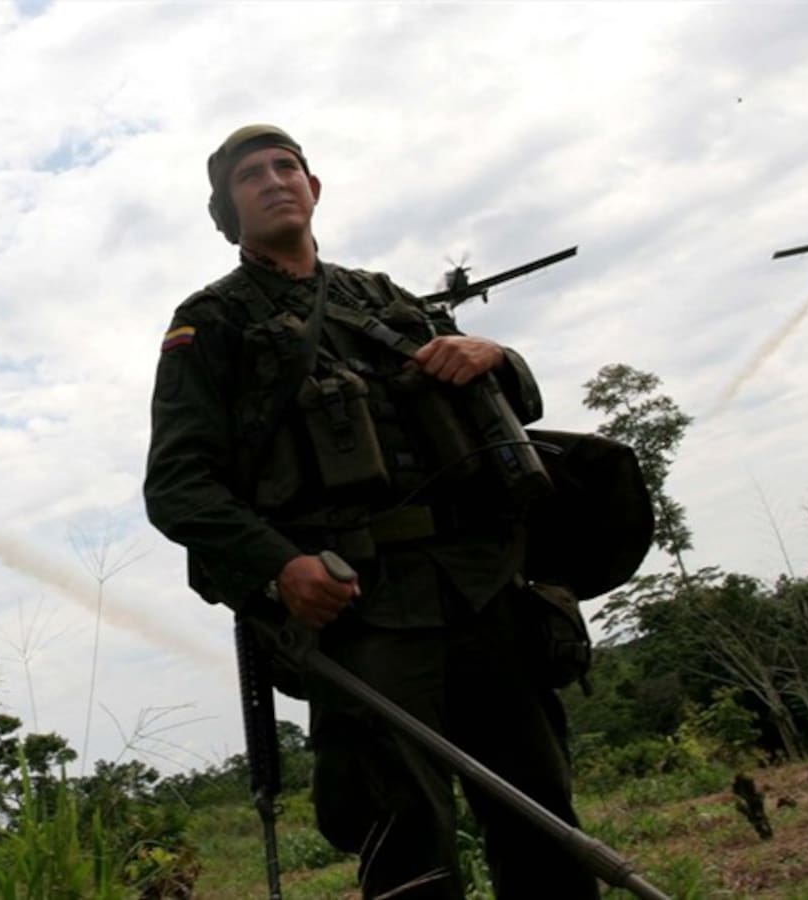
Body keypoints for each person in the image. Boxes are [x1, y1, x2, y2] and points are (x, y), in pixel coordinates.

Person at [143, 124, 601, 899]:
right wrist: (279, 567)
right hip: (364, 611)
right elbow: (177, 486)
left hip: (481, 585)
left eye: (288, 166)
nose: (274, 180)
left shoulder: (386, 299)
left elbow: (512, 402)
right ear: (226, 212)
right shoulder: (212, 322)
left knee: (541, 817)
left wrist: (497, 356)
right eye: (250, 176)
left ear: (314, 189)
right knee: (409, 842)